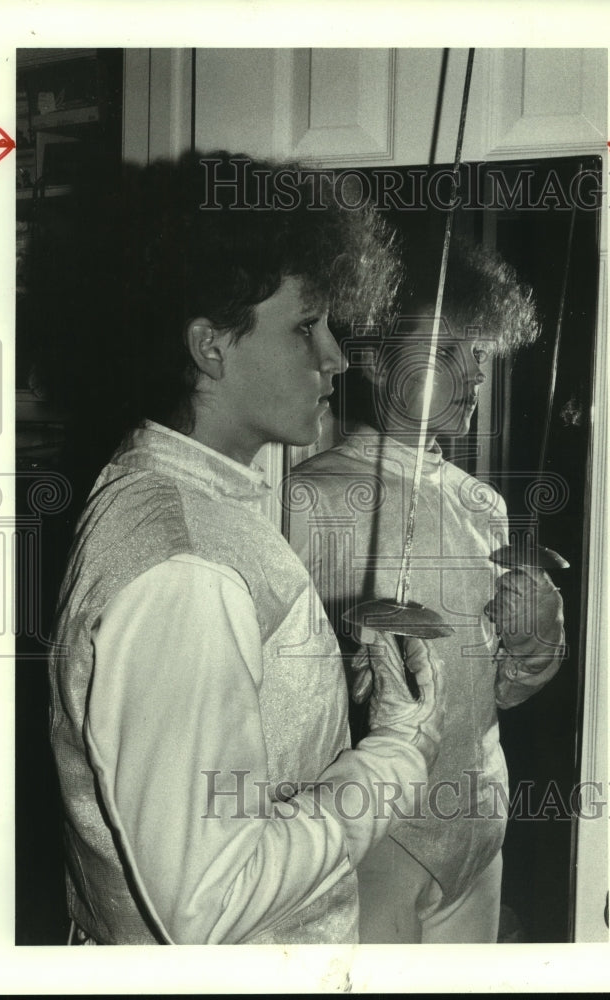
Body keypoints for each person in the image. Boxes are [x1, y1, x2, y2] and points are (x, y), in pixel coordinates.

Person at [44, 152, 450, 945]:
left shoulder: (161, 485)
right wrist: (397, 755)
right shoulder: (187, 564)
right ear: (211, 347)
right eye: (305, 328)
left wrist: (314, 693)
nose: (335, 357)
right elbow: (208, 900)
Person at [288, 239, 566, 944]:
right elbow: (287, 694)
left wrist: (536, 641)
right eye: (447, 353)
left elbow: (497, 687)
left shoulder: (482, 505)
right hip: (377, 830)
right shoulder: (309, 498)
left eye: (478, 356)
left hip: (476, 821)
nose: (472, 376)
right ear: (379, 360)